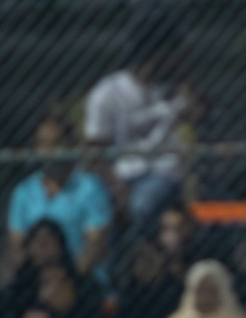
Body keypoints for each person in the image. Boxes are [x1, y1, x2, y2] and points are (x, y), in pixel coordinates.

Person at [84, 20, 199, 231]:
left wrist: (190, 103)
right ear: (157, 56)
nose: (179, 62)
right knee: (98, 208)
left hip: (163, 172)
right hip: (120, 173)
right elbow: (95, 152)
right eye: (175, 56)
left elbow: (197, 121)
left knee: (141, 205)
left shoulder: (176, 90)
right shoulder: (108, 92)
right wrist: (116, 185)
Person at [7, 117, 112, 284]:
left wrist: (69, 279)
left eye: (56, 143)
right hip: (37, 285)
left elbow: (96, 246)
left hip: (83, 282)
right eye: (43, 144)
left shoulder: (91, 188)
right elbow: (18, 248)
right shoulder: (23, 192)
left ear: (71, 146)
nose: (49, 151)